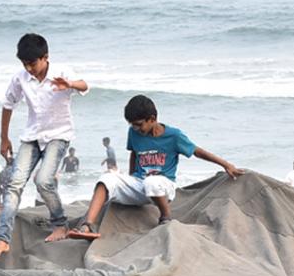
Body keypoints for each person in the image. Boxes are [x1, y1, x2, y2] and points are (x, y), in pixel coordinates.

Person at [70, 98, 243, 234]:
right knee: (106, 178)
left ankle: (165, 216)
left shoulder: (174, 136)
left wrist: (226, 165)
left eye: (138, 124)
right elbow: (134, 153)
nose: (135, 129)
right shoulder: (134, 132)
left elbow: (196, 151)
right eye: (132, 125)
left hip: (164, 187)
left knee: (151, 182)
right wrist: (130, 176)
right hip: (140, 184)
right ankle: (88, 226)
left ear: (152, 119)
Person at [0, 33, 88, 259]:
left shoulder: (61, 72)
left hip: (58, 136)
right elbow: (7, 104)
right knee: (14, 183)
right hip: (32, 137)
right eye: (24, 64)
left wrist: (69, 84)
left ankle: (60, 224)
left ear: (45, 57)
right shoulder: (20, 78)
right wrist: (4, 138)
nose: (29, 68)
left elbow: (84, 85)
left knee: (43, 180)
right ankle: (3, 240)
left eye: (32, 63)